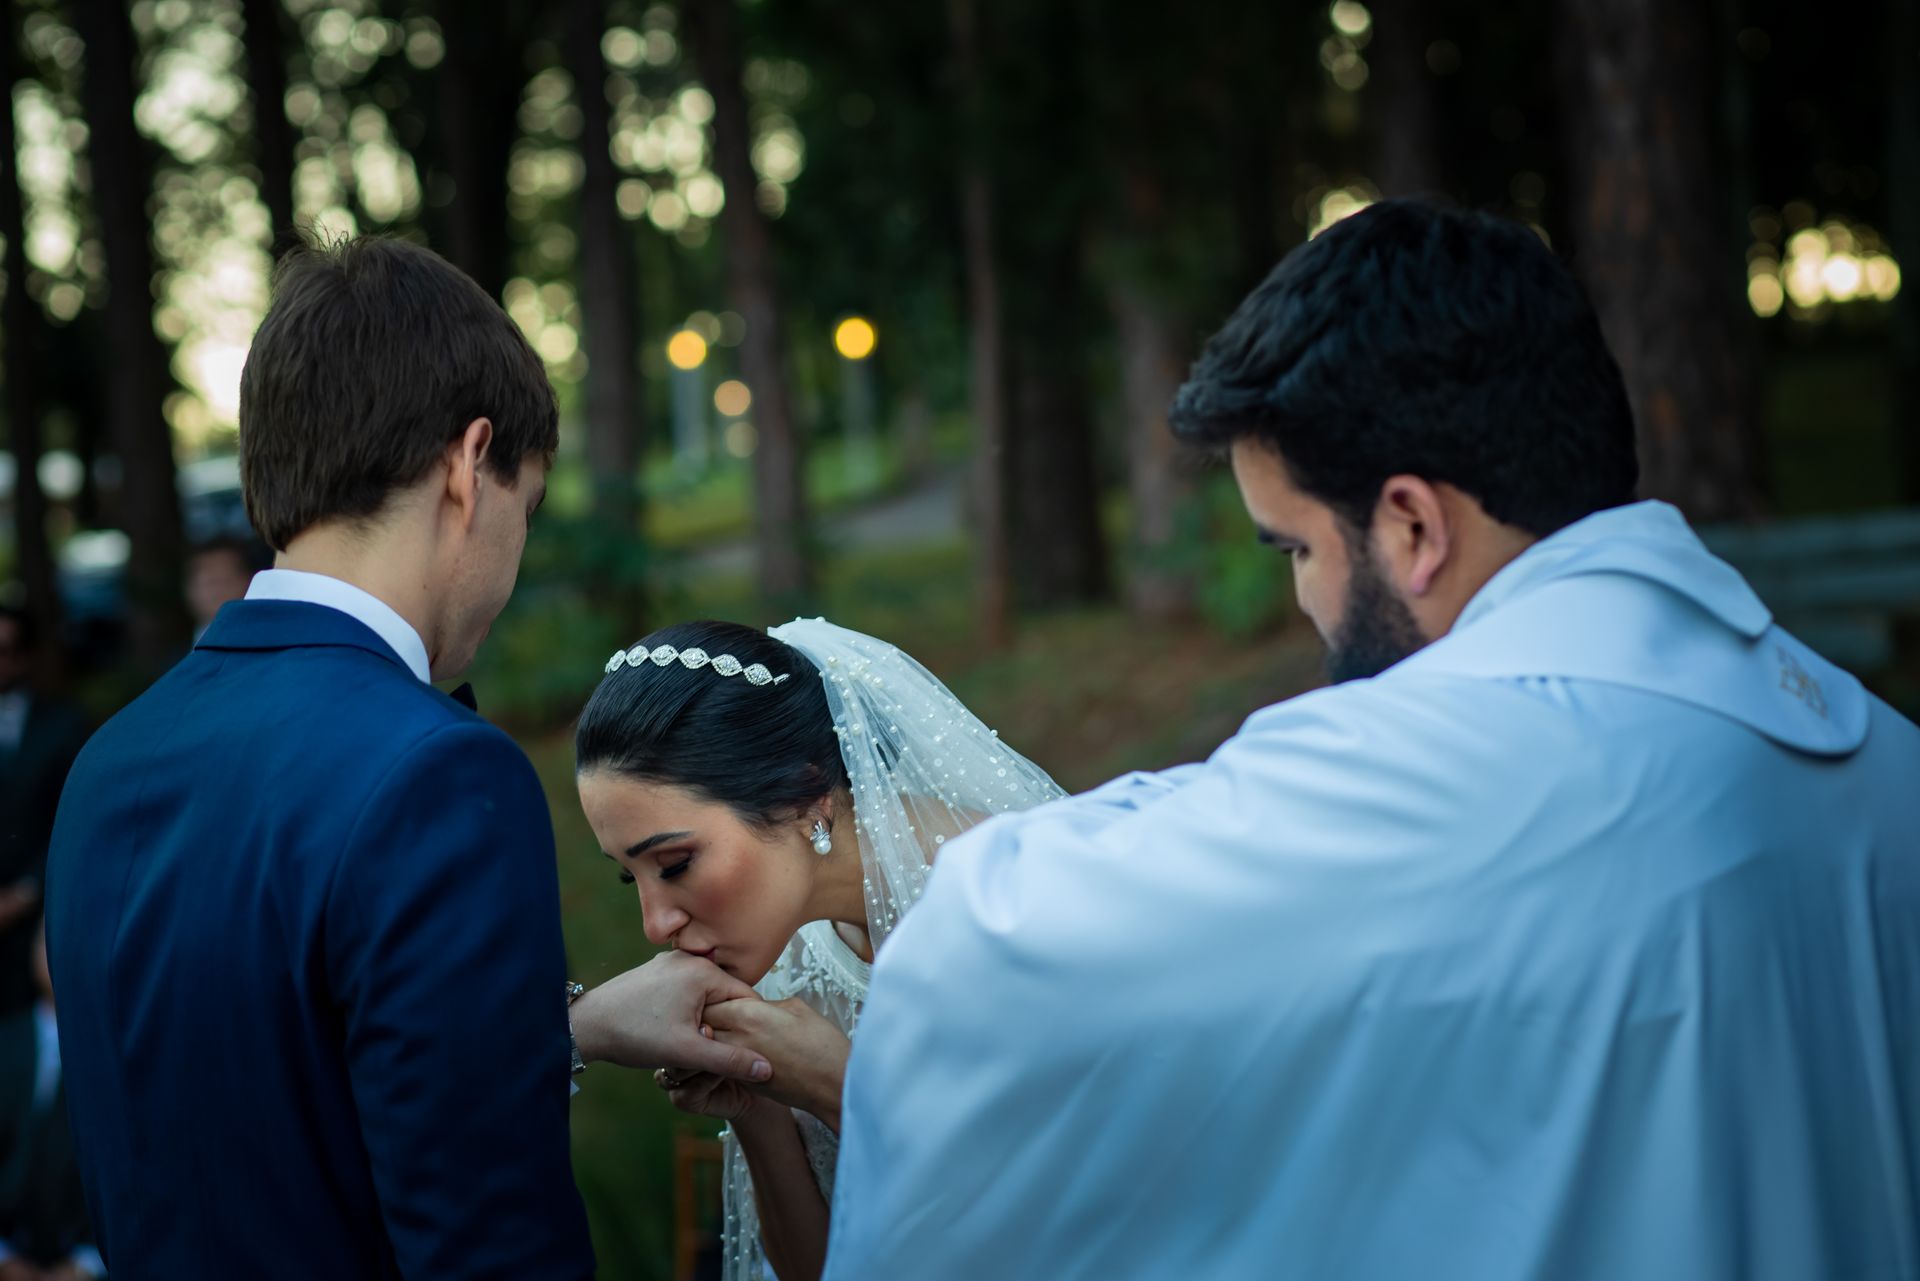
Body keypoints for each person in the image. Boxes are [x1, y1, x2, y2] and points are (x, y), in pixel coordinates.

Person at [823, 201, 1920, 1280]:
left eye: (1297, 548)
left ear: (1412, 525)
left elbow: (992, 955)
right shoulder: (1883, 754)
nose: (1304, 601)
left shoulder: (1431, 773)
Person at [43, 236, 771, 1281]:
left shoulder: (109, 764)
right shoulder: (434, 774)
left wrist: (562, 1030)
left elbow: (256, 1088)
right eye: (528, 505)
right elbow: (490, 1247)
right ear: (469, 466)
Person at [573, 618, 1065, 1281]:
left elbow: (1060, 1234)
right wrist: (759, 1110)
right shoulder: (786, 953)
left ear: (807, 799)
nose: (656, 925)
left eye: (676, 862)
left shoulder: (1020, 909)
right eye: (630, 877)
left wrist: (842, 1088)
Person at [0, 922, 101, 1281]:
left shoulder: (113, 1057)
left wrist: (85, 1265)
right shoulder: (5, 1042)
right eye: (47, 938)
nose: (58, 950)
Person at [0, 607, 86, 1018]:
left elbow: (73, 820)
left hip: (38, 920)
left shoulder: (64, 726)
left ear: (24, 656)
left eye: (4, 650)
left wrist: (23, 893)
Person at [183, 536, 260, 643]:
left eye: (227, 580)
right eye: (211, 582)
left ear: (250, 581)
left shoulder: (268, 644)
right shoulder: (177, 653)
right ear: (190, 589)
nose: (219, 590)